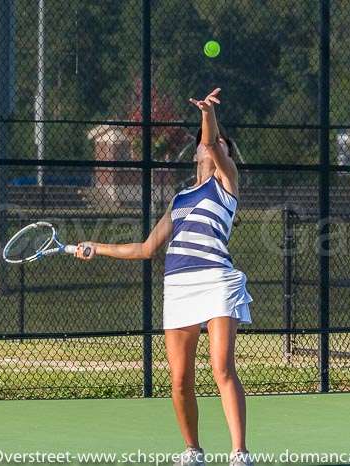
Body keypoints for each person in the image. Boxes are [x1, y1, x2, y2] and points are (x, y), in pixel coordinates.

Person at [74, 88, 253, 466]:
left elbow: (214, 143)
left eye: (217, 144)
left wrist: (207, 115)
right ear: (194, 158)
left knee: (221, 367)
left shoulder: (227, 185)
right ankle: (193, 450)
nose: (210, 146)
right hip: (179, 287)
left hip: (217, 280)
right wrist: (97, 246)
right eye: (207, 144)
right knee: (179, 379)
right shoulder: (178, 200)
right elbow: (144, 248)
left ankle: (239, 453)